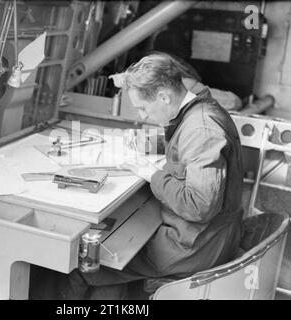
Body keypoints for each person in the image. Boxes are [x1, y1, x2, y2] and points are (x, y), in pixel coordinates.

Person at [60, 52, 244, 300]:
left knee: (85, 264)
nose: (142, 116)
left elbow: (199, 206)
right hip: (204, 236)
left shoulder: (202, 128)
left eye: (143, 108)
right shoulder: (197, 108)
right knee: (114, 247)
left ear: (164, 96)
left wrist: (148, 172)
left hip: (195, 245)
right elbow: (184, 141)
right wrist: (147, 143)